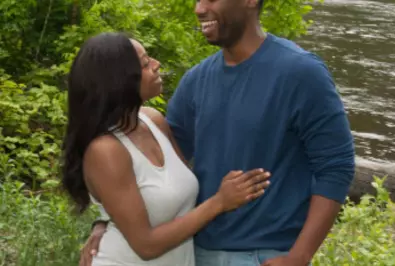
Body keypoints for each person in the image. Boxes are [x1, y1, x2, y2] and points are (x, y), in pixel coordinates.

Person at [83, 0, 355, 265]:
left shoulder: (302, 72)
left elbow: (336, 167)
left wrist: (299, 256)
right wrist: (111, 220)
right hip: (195, 252)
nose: (199, 9)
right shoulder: (196, 80)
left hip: (263, 255)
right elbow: (155, 172)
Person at [61, 32, 272, 266]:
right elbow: (146, 245)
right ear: (120, 81)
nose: (156, 64)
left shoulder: (153, 121)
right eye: (144, 63)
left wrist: (104, 221)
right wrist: (219, 202)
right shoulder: (106, 150)